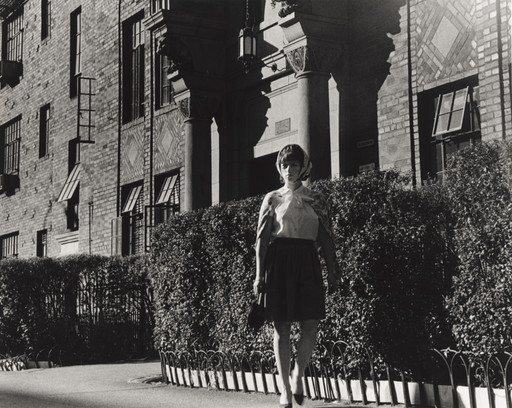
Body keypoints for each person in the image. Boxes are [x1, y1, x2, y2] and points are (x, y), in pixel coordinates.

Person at [253, 144, 340, 408]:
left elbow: (326, 238)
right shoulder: (272, 198)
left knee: (310, 325)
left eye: (294, 164)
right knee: (282, 327)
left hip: (307, 262)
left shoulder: (317, 199)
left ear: (303, 167)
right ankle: (285, 390)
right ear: (279, 168)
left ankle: (298, 374)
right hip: (279, 262)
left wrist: (333, 271)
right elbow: (262, 240)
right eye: (284, 165)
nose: (289, 169)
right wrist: (259, 276)